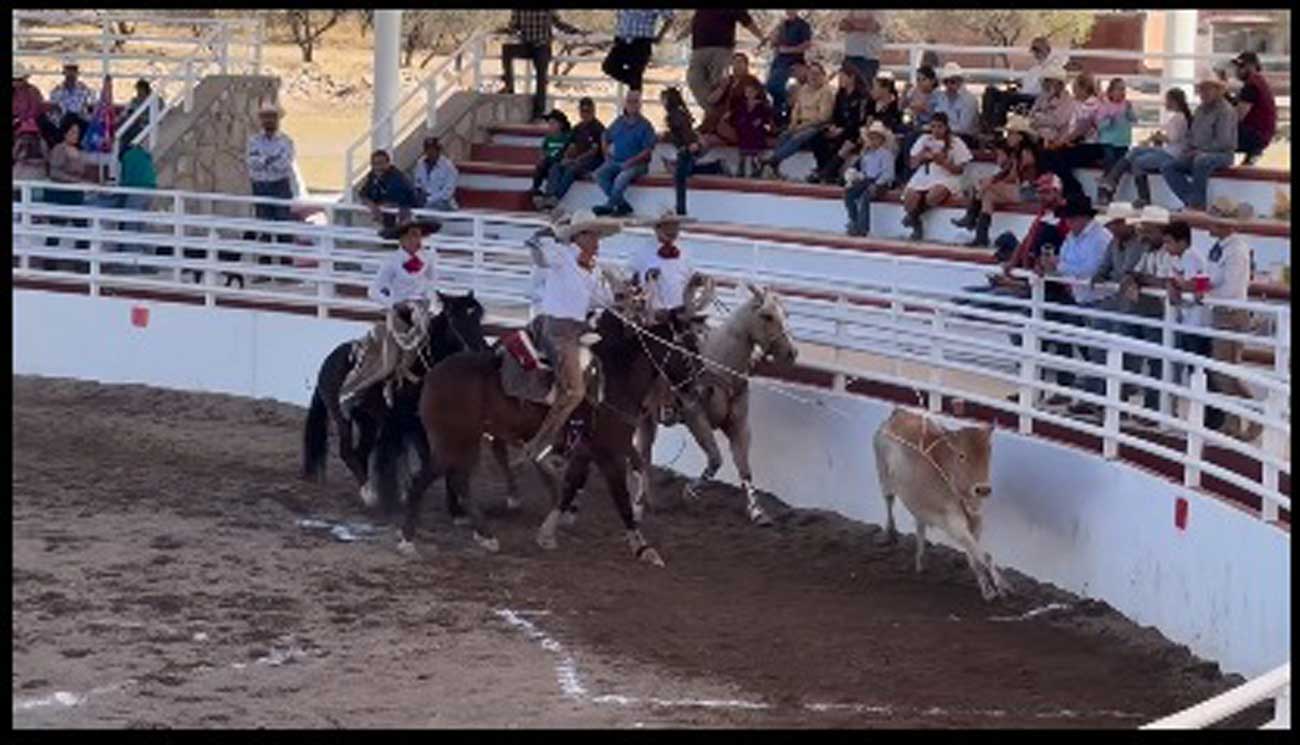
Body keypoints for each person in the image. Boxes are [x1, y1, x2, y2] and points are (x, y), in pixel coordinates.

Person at [520, 209, 622, 468]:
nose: (598, 242)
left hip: (579, 328)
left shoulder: (594, 268)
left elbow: (603, 299)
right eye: (594, 236)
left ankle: (580, 433)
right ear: (580, 237)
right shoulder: (562, 255)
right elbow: (540, 256)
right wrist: (542, 237)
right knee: (574, 390)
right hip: (557, 329)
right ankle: (539, 445)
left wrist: (624, 296)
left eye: (598, 236)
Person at [340, 219, 443, 412]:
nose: (417, 239)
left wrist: (431, 304)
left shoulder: (429, 257)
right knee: (388, 362)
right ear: (402, 239)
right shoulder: (392, 261)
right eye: (413, 235)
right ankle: (357, 391)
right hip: (400, 313)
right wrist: (394, 304)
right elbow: (374, 290)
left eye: (420, 234)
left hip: (422, 310)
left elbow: (431, 284)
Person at [1037, 195, 1111, 409]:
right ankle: (1085, 396)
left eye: (1070, 219)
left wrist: (1059, 265)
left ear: (1081, 218)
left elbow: (1089, 270)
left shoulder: (1100, 238)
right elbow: (1073, 265)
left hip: (1099, 301)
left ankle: (1093, 399)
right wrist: (1058, 265)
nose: (1067, 223)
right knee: (1083, 347)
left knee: (1095, 352)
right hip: (1082, 299)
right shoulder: (1074, 236)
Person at [1199, 214, 1260, 440]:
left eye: (1213, 222)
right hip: (1223, 312)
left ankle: (1254, 416)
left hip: (1230, 314)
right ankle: (1234, 422)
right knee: (1223, 372)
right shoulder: (1222, 247)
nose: (1209, 225)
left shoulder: (1236, 251)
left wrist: (1204, 293)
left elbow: (1232, 290)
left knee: (1226, 373)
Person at [954, 114, 1040, 247]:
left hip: (1028, 191)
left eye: (1011, 133)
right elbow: (1010, 175)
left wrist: (992, 180)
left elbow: (1014, 176)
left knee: (989, 187)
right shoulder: (1016, 153)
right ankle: (980, 236)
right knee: (989, 195)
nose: (1008, 137)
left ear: (1020, 136)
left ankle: (971, 215)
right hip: (1020, 189)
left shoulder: (1025, 153)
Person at [1096, 88, 1191, 208]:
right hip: (1167, 150)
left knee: (1138, 162)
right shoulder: (1177, 117)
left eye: (1167, 100)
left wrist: (1158, 137)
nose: (1165, 103)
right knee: (1136, 150)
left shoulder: (1179, 118)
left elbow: (1173, 138)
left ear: (1174, 101)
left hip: (1171, 154)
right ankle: (1112, 179)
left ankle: (1143, 197)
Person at [1159, 75, 1237, 212]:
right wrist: (1189, 148)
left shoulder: (1225, 111)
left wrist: (1202, 150)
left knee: (1201, 160)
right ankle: (1191, 200)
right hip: (1197, 151)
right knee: (1168, 166)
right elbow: (1192, 134)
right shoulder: (1200, 110)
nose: (1203, 94)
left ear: (1218, 90)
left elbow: (1224, 141)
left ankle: (1198, 204)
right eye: (1201, 90)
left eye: (1207, 90)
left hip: (1221, 154)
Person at [500, 10, 585, 121]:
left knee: (541, 77)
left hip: (542, 46)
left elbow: (558, 23)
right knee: (507, 50)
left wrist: (575, 31)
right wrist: (505, 30)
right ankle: (509, 85)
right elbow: (514, 26)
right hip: (526, 45)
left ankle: (538, 113)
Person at [901, 112, 972, 242]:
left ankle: (913, 216)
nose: (936, 130)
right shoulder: (924, 140)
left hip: (946, 176)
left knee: (934, 195)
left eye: (939, 126)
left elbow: (960, 169)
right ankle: (916, 222)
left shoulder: (956, 142)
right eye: (933, 126)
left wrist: (943, 162)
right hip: (925, 174)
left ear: (946, 127)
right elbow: (912, 164)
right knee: (909, 197)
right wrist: (922, 155)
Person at [757, 61, 834, 179]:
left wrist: (802, 126)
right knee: (784, 135)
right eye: (811, 73)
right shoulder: (803, 89)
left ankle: (772, 160)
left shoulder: (826, 92)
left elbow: (823, 117)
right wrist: (793, 123)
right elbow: (796, 109)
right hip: (801, 123)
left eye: (817, 74)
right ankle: (774, 167)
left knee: (798, 137)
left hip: (817, 125)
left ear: (822, 75)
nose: (813, 77)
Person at [682, 10, 765, 112]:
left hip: (721, 48)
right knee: (694, 79)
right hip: (699, 48)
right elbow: (696, 20)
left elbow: (746, 19)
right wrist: (682, 35)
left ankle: (717, 117)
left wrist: (761, 36)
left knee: (718, 84)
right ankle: (713, 113)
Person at [981, 37, 1069, 131]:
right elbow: (1027, 82)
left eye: (1037, 49)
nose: (1035, 53)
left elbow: (1047, 85)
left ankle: (996, 125)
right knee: (990, 91)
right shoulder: (1036, 68)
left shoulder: (1053, 66)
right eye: (1033, 50)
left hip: (1033, 97)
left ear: (1047, 49)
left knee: (1006, 98)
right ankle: (986, 123)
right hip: (1023, 93)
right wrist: (1017, 84)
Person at [592, 89, 657, 217]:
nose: (632, 104)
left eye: (635, 102)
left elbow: (648, 151)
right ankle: (622, 205)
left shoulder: (646, 125)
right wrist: (605, 152)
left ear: (640, 104)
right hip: (617, 160)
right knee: (598, 174)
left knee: (622, 177)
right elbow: (605, 134)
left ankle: (610, 205)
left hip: (637, 164)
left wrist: (632, 161)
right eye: (629, 101)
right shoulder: (619, 122)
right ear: (625, 104)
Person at [661, 87, 724, 216]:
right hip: (688, 147)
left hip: (686, 148)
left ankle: (681, 209)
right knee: (686, 172)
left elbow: (684, 132)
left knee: (680, 179)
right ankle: (715, 167)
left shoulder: (674, 116)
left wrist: (690, 144)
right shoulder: (680, 113)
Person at [1039, 71, 1103, 199]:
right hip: (1079, 143)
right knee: (1048, 155)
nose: (1074, 91)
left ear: (1083, 88)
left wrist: (1061, 142)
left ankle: (1073, 190)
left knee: (1056, 157)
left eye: (1076, 88)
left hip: (1092, 146)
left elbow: (1082, 128)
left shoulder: (1092, 104)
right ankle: (1062, 189)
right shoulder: (1079, 105)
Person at [45, 116, 97, 267]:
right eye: (73, 132)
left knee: (82, 230)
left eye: (77, 132)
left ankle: (81, 261)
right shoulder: (59, 149)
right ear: (65, 132)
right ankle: (49, 262)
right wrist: (74, 181)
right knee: (56, 230)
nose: (76, 135)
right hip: (61, 196)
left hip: (76, 197)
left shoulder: (78, 151)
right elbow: (54, 172)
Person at [628, 209, 699, 316]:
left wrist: (697, 280)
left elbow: (690, 276)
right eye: (668, 226)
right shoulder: (642, 252)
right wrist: (647, 277)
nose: (672, 230)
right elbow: (633, 281)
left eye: (675, 226)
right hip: (655, 313)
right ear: (657, 229)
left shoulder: (685, 251)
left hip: (681, 311)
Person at [808, 66, 870, 184]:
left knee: (843, 143)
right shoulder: (840, 94)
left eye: (843, 77)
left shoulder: (862, 96)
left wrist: (843, 129)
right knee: (817, 138)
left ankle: (828, 172)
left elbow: (860, 120)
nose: (840, 80)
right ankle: (823, 167)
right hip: (840, 127)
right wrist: (834, 126)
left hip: (854, 130)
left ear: (851, 78)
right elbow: (836, 114)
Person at [542, 97, 605, 208]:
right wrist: (566, 157)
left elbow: (594, 151)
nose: (585, 114)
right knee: (556, 167)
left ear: (593, 111)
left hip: (592, 160)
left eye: (588, 111)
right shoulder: (577, 128)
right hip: (577, 159)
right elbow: (570, 145)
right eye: (583, 111)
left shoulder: (598, 128)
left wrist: (577, 159)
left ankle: (556, 198)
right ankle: (549, 195)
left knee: (572, 169)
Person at [246, 100, 296, 234]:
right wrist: (272, 158)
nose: (269, 120)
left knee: (283, 224)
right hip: (260, 185)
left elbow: (284, 164)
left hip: (280, 185)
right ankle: (265, 254)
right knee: (263, 225)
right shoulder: (253, 141)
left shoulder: (286, 141)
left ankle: (284, 253)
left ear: (277, 119)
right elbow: (252, 162)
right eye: (265, 117)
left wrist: (263, 160)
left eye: (272, 117)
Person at [843, 121, 896, 236]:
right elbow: (864, 171)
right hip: (867, 180)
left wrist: (877, 184)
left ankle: (863, 228)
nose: (872, 141)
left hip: (881, 183)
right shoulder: (866, 154)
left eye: (876, 138)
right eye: (871, 138)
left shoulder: (886, 154)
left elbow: (888, 174)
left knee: (865, 197)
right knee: (849, 193)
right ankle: (854, 221)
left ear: (882, 140)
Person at [699, 52, 763, 145]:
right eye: (735, 63)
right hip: (721, 115)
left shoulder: (752, 81)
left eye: (740, 62)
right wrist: (722, 87)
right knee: (707, 130)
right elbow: (711, 100)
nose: (737, 66)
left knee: (716, 131)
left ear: (746, 65)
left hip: (741, 117)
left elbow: (759, 101)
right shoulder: (727, 80)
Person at [603, 10, 675, 93]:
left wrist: (659, 37)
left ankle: (635, 87)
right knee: (608, 67)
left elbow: (670, 17)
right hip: (621, 42)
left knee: (635, 81)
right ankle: (635, 82)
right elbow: (620, 17)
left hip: (641, 43)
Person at [765, 11, 813, 129]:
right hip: (778, 62)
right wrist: (773, 39)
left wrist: (788, 50)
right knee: (771, 89)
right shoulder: (782, 25)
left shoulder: (803, 25)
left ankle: (788, 113)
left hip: (792, 62)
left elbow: (806, 45)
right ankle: (776, 123)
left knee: (776, 86)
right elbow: (774, 43)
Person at [895, 65, 940, 182]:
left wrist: (923, 108)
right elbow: (901, 107)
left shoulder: (938, 95)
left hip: (930, 126)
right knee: (897, 131)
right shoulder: (915, 91)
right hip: (915, 124)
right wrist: (904, 93)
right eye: (918, 80)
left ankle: (907, 174)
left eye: (923, 80)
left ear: (932, 80)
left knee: (910, 139)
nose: (920, 83)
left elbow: (937, 115)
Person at [1230, 51, 1276, 166]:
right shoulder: (1259, 82)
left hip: (1255, 134)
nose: (1237, 70)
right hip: (1262, 134)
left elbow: (1237, 117)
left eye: (1241, 66)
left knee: (1215, 134)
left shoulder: (1251, 86)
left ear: (1252, 66)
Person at [359, 149, 419, 229]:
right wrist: (372, 206)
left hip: (406, 214)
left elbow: (396, 202)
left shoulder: (396, 178)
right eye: (374, 164)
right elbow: (363, 194)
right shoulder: (372, 176)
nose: (378, 167)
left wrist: (379, 208)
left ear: (388, 163)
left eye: (381, 163)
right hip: (385, 218)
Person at [733, 78, 774, 179]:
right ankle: (741, 166)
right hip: (744, 129)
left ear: (756, 92)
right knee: (744, 132)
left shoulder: (762, 106)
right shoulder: (742, 105)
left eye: (752, 91)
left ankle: (755, 165)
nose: (749, 94)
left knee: (755, 132)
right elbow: (737, 118)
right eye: (747, 92)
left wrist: (759, 121)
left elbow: (765, 119)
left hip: (757, 131)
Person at [46, 58, 95, 142]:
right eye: (68, 70)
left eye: (73, 70)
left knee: (74, 117)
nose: (71, 73)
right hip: (63, 125)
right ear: (64, 73)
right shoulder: (56, 92)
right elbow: (53, 115)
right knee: (67, 118)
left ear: (77, 73)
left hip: (80, 124)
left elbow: (91, 109)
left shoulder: (86, 90)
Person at [1095, 77, 1136, 174]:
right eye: (1119, 89)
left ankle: (1112, 185)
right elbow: (1099, 126)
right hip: (1108, 143)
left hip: (1123, 142)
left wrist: (1129, 111)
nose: (1122, 92)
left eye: (1123, 89)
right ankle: (1105, 184)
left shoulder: (1126, 105)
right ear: (1111, 91)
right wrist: (1109, 120)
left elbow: (1134, 119)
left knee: (1121, 168)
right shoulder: (1105, 106)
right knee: (1110, 164)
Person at [933, 63, 980, 147]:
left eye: (952, 82)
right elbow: (936, 117)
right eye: (946, 82)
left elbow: (964, 127)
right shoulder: (941, 97)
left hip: (965, 137)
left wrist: (941, 128)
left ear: (960, 81)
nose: (948, 85)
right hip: (943, 134)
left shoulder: (969, 100)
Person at [412, 137, 459, 212]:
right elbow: (418, 185)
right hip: (424, 201)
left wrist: (428, 200)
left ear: (438, 150)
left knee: (427, 208)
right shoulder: (420, 163)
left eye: (433, 150)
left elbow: (447, 194)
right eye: (427, 149)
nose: (430, 152)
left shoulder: (448, 167)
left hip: (444, 203)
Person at [839, 10, 885, 89]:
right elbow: (842, 26)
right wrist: (861, 23)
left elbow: (873, 26)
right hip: (850, 54)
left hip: (869, 57)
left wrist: (852, 22)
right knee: (845, 89)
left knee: (865, 90)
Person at [12, 63, 50, 141]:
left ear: (25, 79)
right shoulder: (14, 92)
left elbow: (34, 110)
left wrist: (20, 119)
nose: (16, 82)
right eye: (14, 80)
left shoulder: (32, 91)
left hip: (32, 121)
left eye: (19, 80)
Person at [119, 78, 152, 147]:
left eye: (141, 90)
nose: (139, 92)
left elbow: (152, 118)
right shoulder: (134, 100)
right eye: (138, 90)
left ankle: (124, 151)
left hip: (142, 125)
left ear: (146, 90)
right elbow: (125, 112)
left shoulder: (153, 101)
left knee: (129, 132)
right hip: (131, 123)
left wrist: (140, 118)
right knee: (121, 124)